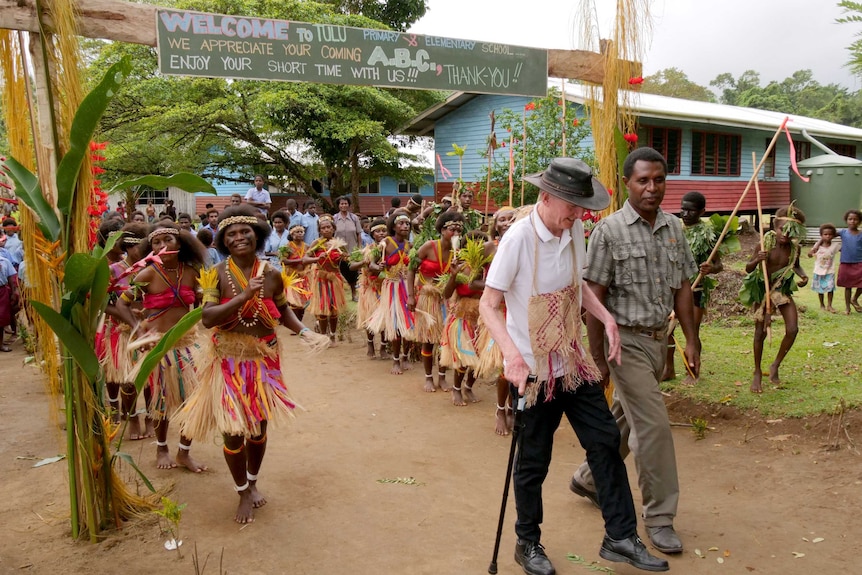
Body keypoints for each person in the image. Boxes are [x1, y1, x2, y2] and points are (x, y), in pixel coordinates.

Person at [479, 157, 668, 575]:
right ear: (546, 197)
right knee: (533, 462)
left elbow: (576, 286)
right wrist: (511, 355)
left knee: (603, 441)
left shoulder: (575, 229)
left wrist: (605, 316)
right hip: (531, 373)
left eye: (581, 207)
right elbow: (488, 305)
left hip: (571, 362)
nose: (577, 216)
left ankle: (620, 536)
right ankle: (527, 543)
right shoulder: (517, 240)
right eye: (571, 207)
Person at [569, 147, 699, 557]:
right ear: (626, 183)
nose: (652, 188)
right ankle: (660, 517)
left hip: (658, 339)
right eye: (643, 180)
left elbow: (683, 288)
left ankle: (589, 478)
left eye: (659, 180)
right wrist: (596, 357)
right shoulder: (609, 231)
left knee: (630, 417)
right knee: (654, 427)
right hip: (622, 341)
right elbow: (594, 295)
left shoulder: (675, 227)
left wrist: (691, 340)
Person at [176, 205, 325, 523]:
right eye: (231, 234)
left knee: (258, 429)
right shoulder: (215, 274)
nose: (239, 237)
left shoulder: (271, 273)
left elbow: (283, 311)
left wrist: (305, 332)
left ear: (257, 236)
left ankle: (253, 482)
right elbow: (207, 319)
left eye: (245, 232)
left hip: (263, 362)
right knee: (232, 432)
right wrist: (243, 297)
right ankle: (242, 491)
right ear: (224, 242)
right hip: (228, 361)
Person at [115, 223, 208, 473]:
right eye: (156, 242)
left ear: (181, 244)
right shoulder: (146, 274)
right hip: (159, 346)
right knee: (161, 401)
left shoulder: (191, 272)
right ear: (150, 247)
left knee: (194, 401)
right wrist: (139, 327)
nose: (162, 245)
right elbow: (122, 304)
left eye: (168, 239)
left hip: (188, 345)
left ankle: (184, 452)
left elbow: (204, 303)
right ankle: (162, 448)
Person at [743, 205, 808, 393]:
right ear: (775, 226)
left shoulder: (795, 248)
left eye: (790, 231)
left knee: (793, 329)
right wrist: (757, 260)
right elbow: (748, 268)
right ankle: (757, 371)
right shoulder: (764, 245)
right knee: (760, 333)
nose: (785, 235)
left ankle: (775, 365)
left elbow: (796, 266)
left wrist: (803, 276)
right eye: (782, 229)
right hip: (763, 291)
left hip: (781, 292)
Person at [664, 191, 723, 383]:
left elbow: (718, 265)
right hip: (671, 287)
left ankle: (692, 371)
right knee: (667, 330)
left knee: (692, 331)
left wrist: (709, 268)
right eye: (683, 209)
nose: (685, 214)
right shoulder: (673, 229)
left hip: (696, 289)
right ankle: (669, 369)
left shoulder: (707, 234)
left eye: (691, 210)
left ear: (702, 212)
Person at [408, 211, 464, 393]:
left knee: (445, 340)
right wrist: (410, 295)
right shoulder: (428, 246)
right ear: (441, 229)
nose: (456, 232)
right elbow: (411, 269)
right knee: (428, 340)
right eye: (452, 228)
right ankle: (428, 377)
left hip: (446, 299)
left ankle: (442, 376)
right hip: (427, 298)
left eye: (459, 229)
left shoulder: (459, 252)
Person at [474, 206, 517, 434]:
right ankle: (500, 409)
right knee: (505, 365)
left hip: (520, 312)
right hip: (498, 313)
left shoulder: (525, 245)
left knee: (522, 363)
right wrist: (499, 288)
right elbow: (472, 283)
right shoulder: (488, 248)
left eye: (512, 219)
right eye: (502, 219)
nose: (507, 223)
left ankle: (513, 408)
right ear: (495, 225)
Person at [367, 213, 415, 374]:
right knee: (395, 324)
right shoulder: (385, 243)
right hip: (391, 287)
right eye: (401, 223)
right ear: (393, 226)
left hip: (407, 287)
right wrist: (377, 266)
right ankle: (395, 359)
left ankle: (406, 356)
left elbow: (414, 267)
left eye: (407, 223)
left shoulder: (411, 245)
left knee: (408, 323)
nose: (405, 226)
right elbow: (371, 263)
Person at [351, 217, 388, 359]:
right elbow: (352, 266)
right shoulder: (368, 250)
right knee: (370, 318)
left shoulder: (390, 249)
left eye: (384, 231)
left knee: (385, 319)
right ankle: (371, 345)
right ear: (372, 234)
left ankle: (384, 347)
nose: (381, 233)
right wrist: (364, 262)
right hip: (370, 289)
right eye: (378, 231)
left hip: (385, 288)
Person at [309, 215, 347, 341]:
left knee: (333, 308)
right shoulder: (316, 244)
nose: (326, 230)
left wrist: (345, 257)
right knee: (322, 308)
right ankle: (323, 335)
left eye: (328, 227)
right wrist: (317, 258)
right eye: (323, 228)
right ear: (319, 230)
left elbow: (346, 260)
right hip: (321, 279)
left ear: (333, 228)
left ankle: (332, 335)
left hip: (334, 278)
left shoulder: (338, 244)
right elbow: (305, 258)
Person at [282, 223, 315, 323]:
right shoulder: (287, 247)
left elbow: (311, 259)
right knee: (294, 302)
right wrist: (299, 261)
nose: (300, 234)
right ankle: (295, 323)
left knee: (303, 302)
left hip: (304, 277)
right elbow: (283, 261)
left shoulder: (307, 247)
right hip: (292, 277)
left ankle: (299, 322)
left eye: (301, 232)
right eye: (297, 232)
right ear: (292, 234)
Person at [333, 196, 362, 301]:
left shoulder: (354, 218)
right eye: (341, 204)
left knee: (353, 274)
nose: (343, 205)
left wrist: (359, 248)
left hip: (352, 251)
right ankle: (340, 297)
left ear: (349, 205)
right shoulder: (334, 218)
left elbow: (359, 234)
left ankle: (354, 294)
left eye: (345, 203)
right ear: (338, 205)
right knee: (340, 273)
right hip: (339, 252)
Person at [808, 223, 840, 313]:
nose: (828, 236)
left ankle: (829, 305)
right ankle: (822, 304)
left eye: (830, 234)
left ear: (833, 235)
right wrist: (813, 249)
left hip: (830, 270)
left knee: (830, 288)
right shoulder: (817, 246)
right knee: (820, 289)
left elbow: (844, 249)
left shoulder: (835, 245)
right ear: (821, 235)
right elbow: (810, 255)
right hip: (818, 270)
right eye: (825, 234)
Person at [837, 209, 862, 314]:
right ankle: (847, 308)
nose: (852, 221)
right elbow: (827, 234)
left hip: (860, 262)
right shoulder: (842, 232)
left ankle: (854, 298)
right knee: (848, 286)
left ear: (860, 221)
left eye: (855, 219)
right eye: (850, 219)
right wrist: (816, 246)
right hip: (846, 263)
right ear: (846, 220)